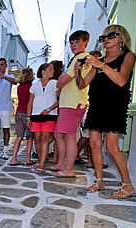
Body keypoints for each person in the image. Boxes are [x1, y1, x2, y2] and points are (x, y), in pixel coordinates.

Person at [76, 25, 136, 198]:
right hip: (96, 105)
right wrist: (79, 73)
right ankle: (99, 181)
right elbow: (82, 85)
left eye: (111, 35)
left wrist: (100, 64)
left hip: (114, 106)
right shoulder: (99, 61)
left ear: (122, 38)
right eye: (103, 37)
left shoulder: (127, 56)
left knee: (111, 147)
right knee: (94, 144)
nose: (106, 39)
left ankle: (128, 185)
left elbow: (121, 80)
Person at [50, 30, 92, 178]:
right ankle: (62, 164)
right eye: (71, 42)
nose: (73, 45)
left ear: (86, 42)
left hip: (73, 103)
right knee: (59, 134)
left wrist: (60, 81)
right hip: (69, 102)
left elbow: (62, 80)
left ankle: (68, 169)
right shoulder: (78, 58)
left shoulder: (81, 58)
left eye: (77, 42)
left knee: (68, 136)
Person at [26, 63, 59, 173]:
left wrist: (49, 109)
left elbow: (61, 99)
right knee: (37, 139)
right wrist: (28, 117)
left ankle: (42, 163)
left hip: (50, 114)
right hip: (36, 114)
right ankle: (41, 161)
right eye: (50, 69)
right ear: (42, 71)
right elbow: (30, 102)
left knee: (45, 138)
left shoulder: (55, 83)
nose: (52, 71)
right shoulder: (34, 85)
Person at [9, 68, 35, 166]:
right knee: (29, 137)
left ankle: (14, 158)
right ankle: (28, 159)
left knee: (19, 137)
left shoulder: (19, 87)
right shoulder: (31, 87)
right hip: (28, 113)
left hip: (19, 112)